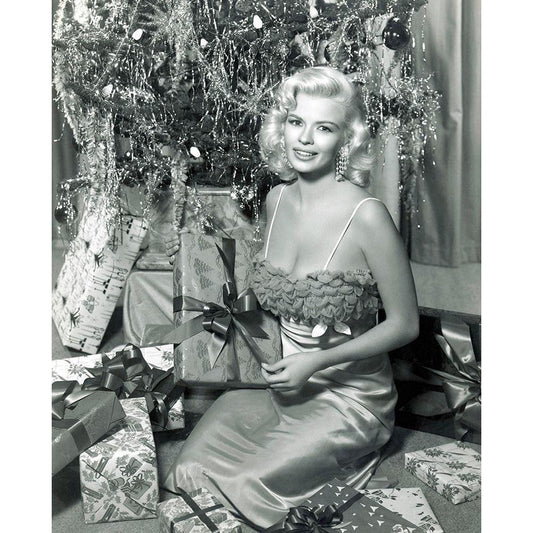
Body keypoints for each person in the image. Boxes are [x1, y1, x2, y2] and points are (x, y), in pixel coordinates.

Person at [162, 66, 419, 529]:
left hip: (350, 399)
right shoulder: (275, 200)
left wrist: (315, 363)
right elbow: (264, 299)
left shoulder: (368, 216)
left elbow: (406, 324)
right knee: (190, 465)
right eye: (297, 122)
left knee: (245, 481)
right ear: (282, 127)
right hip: (281, 387)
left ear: (346, 139)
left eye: (324, 127)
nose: (305, 138)